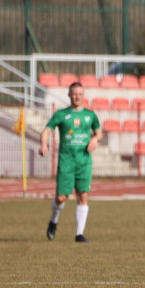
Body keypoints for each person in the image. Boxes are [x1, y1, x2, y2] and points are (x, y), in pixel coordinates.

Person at [39, 82, 102, 243]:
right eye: (74, 94)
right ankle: (53, 222)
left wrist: (95, 139)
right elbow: (47, 130)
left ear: (83, 95)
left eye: (79, 94)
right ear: (69, 95)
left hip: (84, 162)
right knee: (61, 198)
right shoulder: (61, 114)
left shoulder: (90, 115)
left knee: (83, 195)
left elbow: (99, 133)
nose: (77, 97)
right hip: (66, 161)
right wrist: (44, 144)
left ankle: (79, 234)